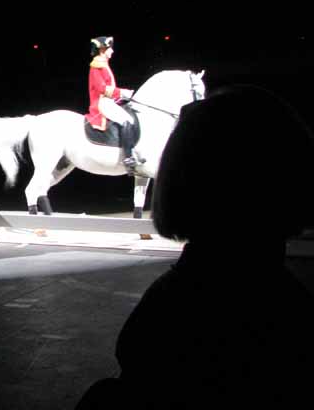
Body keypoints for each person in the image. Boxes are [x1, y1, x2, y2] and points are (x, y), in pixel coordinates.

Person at [76, 84, 314, 409]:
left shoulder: (166, 306)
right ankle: (129, 154)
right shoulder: (294, 309)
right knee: (127, 124)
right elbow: (101, 89)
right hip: (102, 103)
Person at [85, 36, 140, 174]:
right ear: (103, 49)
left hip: (109, 101)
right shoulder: (97, 65)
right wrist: (122, 92)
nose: (112, 51)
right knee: (126, 120)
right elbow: (101, 88)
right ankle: (128, 157)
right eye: (110, 48)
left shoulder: (103, 64)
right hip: (102, 103)